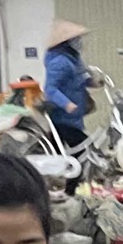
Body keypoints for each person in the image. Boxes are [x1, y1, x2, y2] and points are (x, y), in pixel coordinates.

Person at [42, 20, 92, 150]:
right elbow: (50, 89)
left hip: (72, 117)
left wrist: (92, 82)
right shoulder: (60, 62)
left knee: (59, 149)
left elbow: (77, 78)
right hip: (62, 116)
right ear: (66, 42)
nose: (79, 42)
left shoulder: (73, 59)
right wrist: (66, 104)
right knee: (84, 149)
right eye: (76, 39)